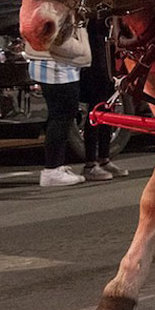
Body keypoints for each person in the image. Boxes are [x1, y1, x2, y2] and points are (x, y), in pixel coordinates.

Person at [30, 51, 88, 187]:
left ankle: (56, 166)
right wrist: (81, 47)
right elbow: (60, 39)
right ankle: (52, 169)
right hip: (57, 69)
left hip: (54, 67)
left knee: (60, 117)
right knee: (61, 117)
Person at [80, 16, 126, 180]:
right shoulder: (92, 19)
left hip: (108, 61)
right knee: (95, 110)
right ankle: (90, 163)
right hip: (95, 63)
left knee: (108, 108)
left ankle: (104, 158)